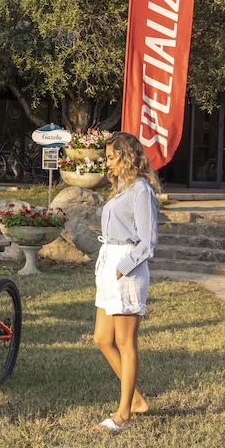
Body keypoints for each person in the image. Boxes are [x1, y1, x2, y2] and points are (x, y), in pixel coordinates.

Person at [93, 131, 160, 432]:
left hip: (127, 266)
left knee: (125, 342)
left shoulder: (141, 190)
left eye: (111, 157)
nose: (108, 163)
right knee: (102, 339)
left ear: (125, 155)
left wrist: (123, 268)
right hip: (108, 261)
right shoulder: (120, 187)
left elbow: (148, 241)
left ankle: (124, 412)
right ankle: (137, 399)